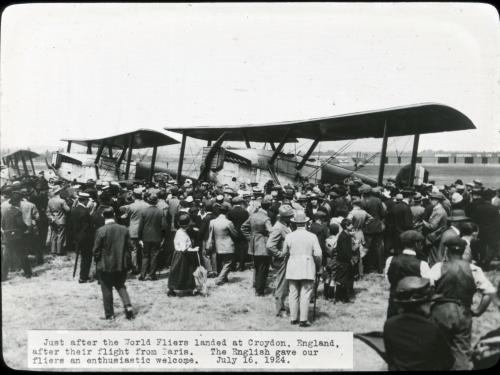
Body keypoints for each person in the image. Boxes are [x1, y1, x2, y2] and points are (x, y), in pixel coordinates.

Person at [429, 237, 496, 370]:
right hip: (463, 312)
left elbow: (426, 289)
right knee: (462, 351)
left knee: (438, 350)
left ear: (447, 251)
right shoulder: (474, 269)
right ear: (464, 250)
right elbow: (489, 293)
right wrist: (478, 311)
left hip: (441, 311)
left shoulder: (438, 267)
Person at [383, 276, 454, 371]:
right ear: (420, 305)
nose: (430, 305)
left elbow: (390, 356)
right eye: (428, 302)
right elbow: (448, 361)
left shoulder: (389, 325)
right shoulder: (432, 329)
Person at [92, 207, 134, 320]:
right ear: (114, 215)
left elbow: (96, 250)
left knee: (106, 289)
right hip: (121, 264)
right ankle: (128, 306)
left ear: (103, 216)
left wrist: (97, 261)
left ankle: (110, 315)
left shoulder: (101, 231)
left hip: (105, 265)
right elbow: (130, 246)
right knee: (121, 285)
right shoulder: (124, 229)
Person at [281, 211, 322, 327]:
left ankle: (293, 318)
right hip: (307, 266)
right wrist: (318, 266)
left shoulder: (289, 236)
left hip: (293, 265)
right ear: (306, 223)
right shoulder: (312, 236)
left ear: (294, 223)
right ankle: (303, 319)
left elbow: (284, 252)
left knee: (293, 292)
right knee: (305, 293)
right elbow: (318, 254)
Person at [384, 230, 431, 318]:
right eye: (420, 243)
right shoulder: (422, 264)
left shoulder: (390, 260)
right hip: (414, 307)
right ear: (416, 244)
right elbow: (427, 286)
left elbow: (388, 281)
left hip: (394, 304)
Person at [241, 196, 274, 296]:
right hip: (263, 245)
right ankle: (260, 291)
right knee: (263, 269)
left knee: (257, 266)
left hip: (253, 244)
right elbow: (271, 232)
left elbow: (243, 227)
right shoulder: (266, 218)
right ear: (268, 207)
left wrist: (250, 237)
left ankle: (256, 285)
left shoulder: (252, 216)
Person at [266, 204, 294, 316]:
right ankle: (279, 310)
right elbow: (269, 245)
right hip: (282, 261)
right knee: (281, 285)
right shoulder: (278, 228)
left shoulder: (285, 225)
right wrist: (280, 255)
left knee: (284, 285)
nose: (291, 219)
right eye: (289, 217)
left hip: (286, 260)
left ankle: (282, 307)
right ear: (283, 217)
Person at [1, 192, 32, 280]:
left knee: (6, 257)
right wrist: (26, 227)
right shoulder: (17, 212)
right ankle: (28, 273)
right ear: (18, 202)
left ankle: (3, 276)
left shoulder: (6, 212)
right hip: (17, 236)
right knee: (22, 254)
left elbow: (2, 224)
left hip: (7, 236)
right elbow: (21, 224)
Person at [167, 213, 199, 296]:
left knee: (186, 273)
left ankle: (188, 288)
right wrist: (194, 249)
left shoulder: (181, 231)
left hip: (182, 255)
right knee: (180, 272)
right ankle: (173, 289)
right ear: (188, 224)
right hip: (181, 256)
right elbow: (184, 249)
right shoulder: (181, 234)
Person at [207, 203, 238, 285]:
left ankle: (224, 278)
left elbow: (210, 233)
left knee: (222, 262)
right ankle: (220, 279)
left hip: (217, 245)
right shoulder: (228, 222)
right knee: (228, 262)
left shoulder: (212, 222)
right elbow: (234, 234)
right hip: (228, 245)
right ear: (227, 212)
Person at [138, 195, 166, 281]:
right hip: (157, 237)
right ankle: (152, 274)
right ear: (156, 202)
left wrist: (139, 238)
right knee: (154, 256)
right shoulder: (160, 212)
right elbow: (164, 226)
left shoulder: (144, 211)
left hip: (145, 237)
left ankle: (142, 275)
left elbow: (140, 226)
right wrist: (163, 237)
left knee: (145, 256)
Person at [69, 192, 94, 283]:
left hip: (77, 237)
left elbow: (72, 225)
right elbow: (88, 226)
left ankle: (82, 275)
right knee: (87, 257)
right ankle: (83, 276)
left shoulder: (74, 210)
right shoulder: (85, 211)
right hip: (85, 238)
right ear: (85, 200)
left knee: (83, 257)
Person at [423, 192, 448, 266]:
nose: (431, 201)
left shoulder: (439, 211)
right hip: (437, 235)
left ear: (438, 201)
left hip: (436, 236)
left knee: (434, 256)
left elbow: (432, 226)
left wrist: (424, 222)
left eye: (433, 199)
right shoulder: (438, 209)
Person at [335, 218, 356, 303]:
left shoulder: (346, 235)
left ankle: (340, 297)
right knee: (343, 280)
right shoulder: (344, 236)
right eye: (350, 224)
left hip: (344, 261)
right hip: (343, 262)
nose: (352, 226)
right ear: (346, 226)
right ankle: (343, 298)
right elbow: (345, 250)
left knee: (343, 279)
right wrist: (350, 259)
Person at [227, 196, 250, 271]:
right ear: (241, 203)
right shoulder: (245, 212)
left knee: (235, 248)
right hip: (242, 233)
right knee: (243, 248)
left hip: (233, 232)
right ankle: (241, 265)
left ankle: (233, 264)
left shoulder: (230, 212)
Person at [46, 186, 71, 255]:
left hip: (53, 220)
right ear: (59, 192)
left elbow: (47, 212)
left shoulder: (50, 201)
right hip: (61, 220)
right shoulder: (62, 201)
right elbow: (68, 210)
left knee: (53, 235)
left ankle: (53, 250)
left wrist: (51, 217)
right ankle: (59, 251)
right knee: (60, 235)